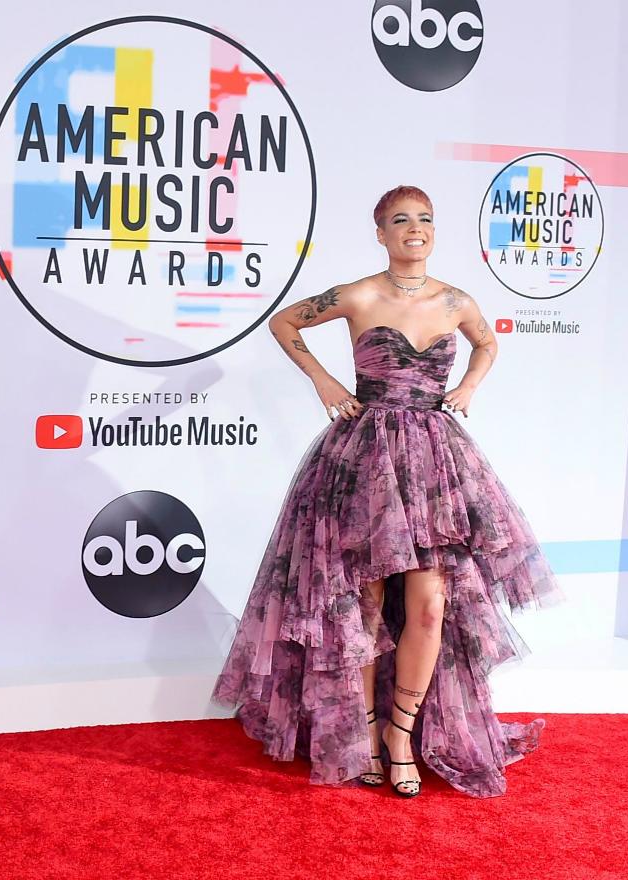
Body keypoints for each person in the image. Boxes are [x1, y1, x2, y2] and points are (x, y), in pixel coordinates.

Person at [213, 185, 560, 798]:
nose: (415, 229)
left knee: (430, 605)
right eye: (401, 221)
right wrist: (323, 382)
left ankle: (402, 734)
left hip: (433, 463)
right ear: (381, 233)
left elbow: (488, 342)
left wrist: (471, 386)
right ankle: (365, 735)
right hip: (364, 461)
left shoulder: (456, 300)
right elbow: (285, 321)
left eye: (425, 219)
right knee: (365, 606)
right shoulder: (358, 295)